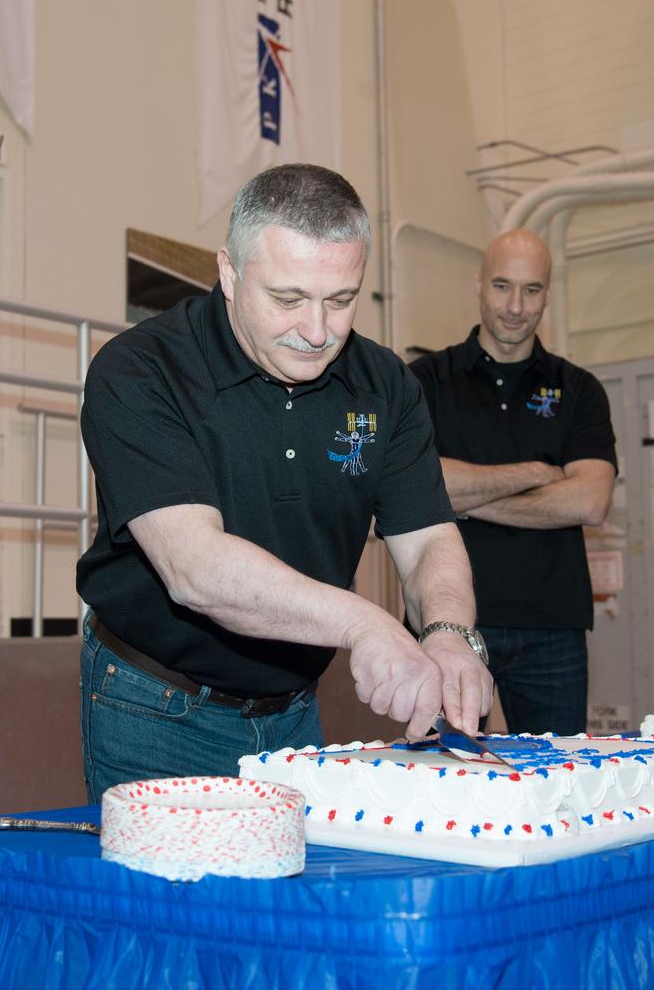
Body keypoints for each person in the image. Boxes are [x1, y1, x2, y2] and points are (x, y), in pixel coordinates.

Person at [76, 164, 492, 802]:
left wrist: (448, 633)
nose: (318, 331)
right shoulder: (140, 372)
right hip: (156, 705)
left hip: (294, 710)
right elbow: (197, 568)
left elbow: (429, 536)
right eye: (288, 299)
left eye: (341, 299)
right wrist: (366, 624)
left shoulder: (385, 384)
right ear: (229, 272)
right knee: (173, 902)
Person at [409, 229, 617, 736]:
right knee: (448, 776)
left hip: (553, 627)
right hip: (449, 622)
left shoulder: (579, 390)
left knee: (559, 778)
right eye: (502, 286)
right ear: (478, 284)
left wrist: (456, 497)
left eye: (532, 290)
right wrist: (533, 474)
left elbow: (590, 500)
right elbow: (412, 483)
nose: (516, 306)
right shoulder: (424, 382)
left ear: (548, 292)